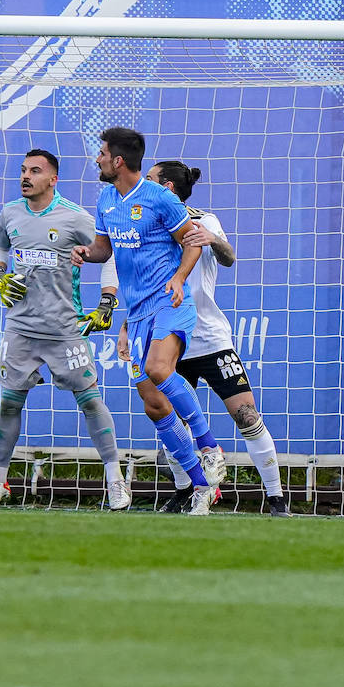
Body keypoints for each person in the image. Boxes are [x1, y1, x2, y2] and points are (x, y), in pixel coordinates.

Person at [117, 160, 290, 517]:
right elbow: (140, 284)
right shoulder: (144, 224)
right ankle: (188, 490)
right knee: (164, 417)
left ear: (166, 187)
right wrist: (124, 326)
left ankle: (276, 498)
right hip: (165, 335)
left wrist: (214, 239)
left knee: (246, 415)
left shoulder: (203, 220)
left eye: (149, 179)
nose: (142, 185)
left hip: (209, 338)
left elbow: (228, 258)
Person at [72, 127, 224, 516]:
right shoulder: (107, 197)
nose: (98, 159)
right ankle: (201, 486)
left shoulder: (160, 198)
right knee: (153, 404)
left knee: (159, 369)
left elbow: (193, 240)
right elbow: (104, 249)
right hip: (137, 312)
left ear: (118, 161)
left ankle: (209, 446)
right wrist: (85, 252)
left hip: (170, 301)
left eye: (102, 153)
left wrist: (178, 278)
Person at [0, 149, 130, 511]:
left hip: (65, 330)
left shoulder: (75, 216)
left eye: (35, 171)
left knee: (91, 400)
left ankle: (115, 480)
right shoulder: (10, 213)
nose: (25, 177)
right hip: (21, 328)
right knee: (9, 404)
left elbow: (109, 256)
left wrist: (107, 302)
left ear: (53, 179)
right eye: (22, 170)